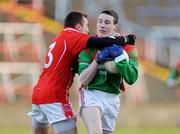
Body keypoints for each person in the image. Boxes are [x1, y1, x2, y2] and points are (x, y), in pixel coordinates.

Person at [28, 11, 136, 134]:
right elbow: (100, 42)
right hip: (55, 94)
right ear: (78, 27)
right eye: (86, 25)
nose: (88, 30)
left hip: (38, 93)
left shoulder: (60, 37)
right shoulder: (74, 36)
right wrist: (127, 39)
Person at [78, 10, 138, 134]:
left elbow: (131, 79)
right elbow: (83, 80)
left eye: (107, 22)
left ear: (114, 27)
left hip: (112, 98)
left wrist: (121, 59)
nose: (102, 25)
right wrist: (98, 60)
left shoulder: (127, 49)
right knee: (95, 132)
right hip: (91, 94)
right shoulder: (88, 46)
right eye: (100, 22)